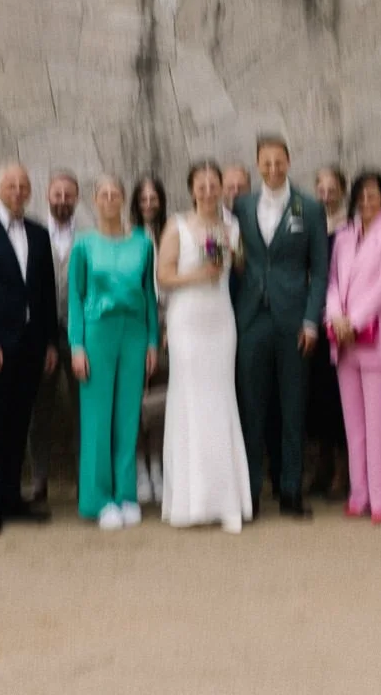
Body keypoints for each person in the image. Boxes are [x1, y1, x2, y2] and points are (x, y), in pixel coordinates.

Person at [232, 135, 330, 518]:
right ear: (257, 165)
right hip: (252, 316)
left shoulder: (309, 207)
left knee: (293, 407)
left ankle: (291, 490)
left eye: (278, 161)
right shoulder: (241, 205)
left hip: (293, 320)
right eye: (265, 163)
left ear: (289, 161)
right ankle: (250, 492)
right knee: (251, 408)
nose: (272, 169)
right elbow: (223, 247)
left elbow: (320, 271)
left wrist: (311, 320)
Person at [0, 162, 60, 535]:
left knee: (20, 426)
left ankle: (12, 499)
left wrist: (50, 341)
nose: (17, 191)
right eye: (10, 185)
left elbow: (46, 292)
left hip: (32, 345)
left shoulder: (38, 233)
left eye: (23, 185)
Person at [157, 160, 252, 533]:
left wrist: (234, 250)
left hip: (221, 320)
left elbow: (240, 267)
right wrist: (201, 273)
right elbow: (163, 276)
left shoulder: (232, 226)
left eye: (215, 184)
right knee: (191, 403)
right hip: (187, 321)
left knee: (221, 400)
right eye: (202, 185)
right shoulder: (177, 225)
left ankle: (227, 500)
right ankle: (190, 500)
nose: (209, 190)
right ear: (192, 189)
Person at [68, 176, 161, 529]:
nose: (109, 199)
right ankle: (98, 499)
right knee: (96, 419)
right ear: (94, 200)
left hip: (135, 334)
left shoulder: (142, 244)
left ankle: (126, 494)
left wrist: (153, 340)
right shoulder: (84, 245)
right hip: (97, 333)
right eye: (103, 194)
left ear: (124, 200)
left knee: (127, 417)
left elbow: (149, 295)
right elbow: (75, 298)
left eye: (115, 193)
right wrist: (77, 346)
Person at [325, 170, 381, 523]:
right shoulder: (344, 236)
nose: (366, 200)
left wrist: (354, 320)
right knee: (354, 425)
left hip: (379, 339)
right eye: (360, 194)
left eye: (373, 194)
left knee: (380, 426)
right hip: (344, 342)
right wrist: (335, 317)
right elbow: (332, 282)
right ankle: (358, 493)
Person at [28, 170, 83, 503]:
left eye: (68, 195)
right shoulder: (34, 236)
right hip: (42, 335)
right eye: (57, 194)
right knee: (40, 409)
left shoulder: (88, 237)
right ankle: (38, 478)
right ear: (47, 196)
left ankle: (82, 478)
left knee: (82, 409)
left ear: (76, 198)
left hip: (79, 335)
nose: (62, 200)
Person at [307, 165, 350, 498]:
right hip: (311, 317)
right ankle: (322, 463)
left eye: (332, 188)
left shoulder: (350, 227)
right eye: (320, 188)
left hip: (339, 317)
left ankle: (343, 469)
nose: (326, 194)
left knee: (339, 397)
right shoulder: (307, 223)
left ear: (342, 191)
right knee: (318, 396)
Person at [131, 176, 169, 503]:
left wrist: (169, 326)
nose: (148, 204)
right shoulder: (127, 237)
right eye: (142, 198)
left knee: (159, 399)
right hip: (133, 325)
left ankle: (158, 466)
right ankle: (139, 469)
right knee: (133, 399)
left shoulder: (172, 232)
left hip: (167, 322)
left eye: (153, 198)